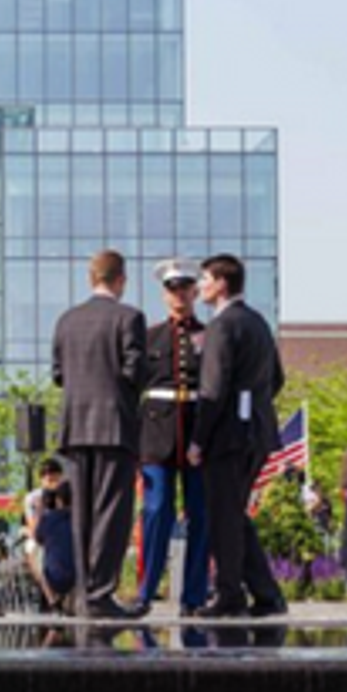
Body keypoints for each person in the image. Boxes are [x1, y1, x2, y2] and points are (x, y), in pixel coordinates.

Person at [186, 253, 287, 618]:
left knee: (223, 517)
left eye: (204, 280)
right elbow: (277, 379)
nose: (199, 287)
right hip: (257, 433)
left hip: (227, 439)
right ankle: (266, 592)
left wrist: (198, 439)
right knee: (234, 514)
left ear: (222, 284)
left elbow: (212, 389)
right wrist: (255, 407)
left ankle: (229, 593)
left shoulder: (221, 327)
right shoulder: (258, 323)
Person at [50, 249, 146, 619]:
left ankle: (82, 591)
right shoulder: (129, 317)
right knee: (111, 512)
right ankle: (100, 593)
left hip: (76, 427)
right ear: (120, 280)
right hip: (114, 427)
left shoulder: (67, 320)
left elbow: (58, 374)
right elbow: (133, 371)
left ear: (92, 279)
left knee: (83, 515)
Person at [137, 258, 209, 617]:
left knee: (200, 513)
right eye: (172, 289)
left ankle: (194, 597)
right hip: (156, 435)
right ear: (164, 295)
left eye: (185, 288)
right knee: (155, 510)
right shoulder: (148, 337)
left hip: (197, 432)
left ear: (195, 291)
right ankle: (145, 592)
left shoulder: (208, 336)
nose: (178, 294)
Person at [31, 483, 76, 612]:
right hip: (78, 577)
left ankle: (52, 601)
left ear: (58, 500)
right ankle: (70, 601)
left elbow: (37, 538)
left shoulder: (48, 518)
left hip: (52, 577)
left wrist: (39, 511)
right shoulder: (81, 518)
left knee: (35, 553)